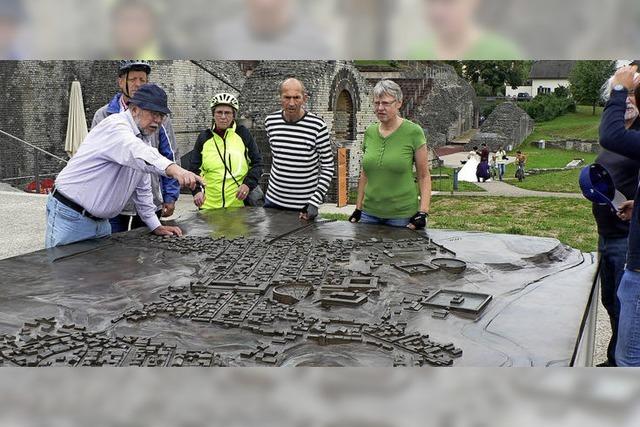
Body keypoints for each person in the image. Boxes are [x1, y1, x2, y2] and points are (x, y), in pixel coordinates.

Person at [45, 84, 203, 248]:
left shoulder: (143, 139)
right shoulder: (115, 126)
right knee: (65, 271)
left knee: (97, 272)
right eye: (153, 113)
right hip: (71, 215)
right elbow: (137, 151)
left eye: (162, 115)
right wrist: (175, 169)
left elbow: (142, 189)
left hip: (101, 223)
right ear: (134, 110)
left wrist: (156, 226)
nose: (158, 120)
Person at [92, 60, 180, 233]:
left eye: (142, 80)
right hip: (116, 201)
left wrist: (170, 195)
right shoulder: (104, 115)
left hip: (148, 198)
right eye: (132, 79)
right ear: (120, 82)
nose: (138, 84)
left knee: (150, 250)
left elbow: (169, 154)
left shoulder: (160, 117)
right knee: (114, 251)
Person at [598, 64, 640, 366]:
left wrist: (619, 87)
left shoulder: (633, 135)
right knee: (613, 303)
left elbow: (609, 134)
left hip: (626, 241)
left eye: (632, 96)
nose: (627, 102)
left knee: (631, 348)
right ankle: (614, 358)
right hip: (610, 232)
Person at [348, 79, 431, 229]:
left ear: (398, 103)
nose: (380, 108)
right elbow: (365, 174)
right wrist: (358, 208)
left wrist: (423, 212)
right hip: (369, 214)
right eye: (376, 103)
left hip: (401, 216)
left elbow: (424, 175)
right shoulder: (369, 132)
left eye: (385, 103)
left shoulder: (414, 132)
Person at [264, 77, 334, 221]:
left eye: (296, 97)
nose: (291, 103)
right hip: (272, 202)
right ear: (280, 98)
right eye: (287, 97)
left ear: (304, 98)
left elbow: (328, 166)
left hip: (303, 207)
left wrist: (315, 201)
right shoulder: (270, 122)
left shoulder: (318, 127)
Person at [189, 92, 263, 209]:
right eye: (219, 112)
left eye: (227, 113)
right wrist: (197, 191)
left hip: (238, 205)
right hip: (208, 206)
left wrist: (247, 185)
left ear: (233, 115)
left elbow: (257, 163)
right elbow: (194, 168)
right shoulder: (204, 137)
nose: (223, 117)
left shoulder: (243, 134)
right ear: (213, 114)